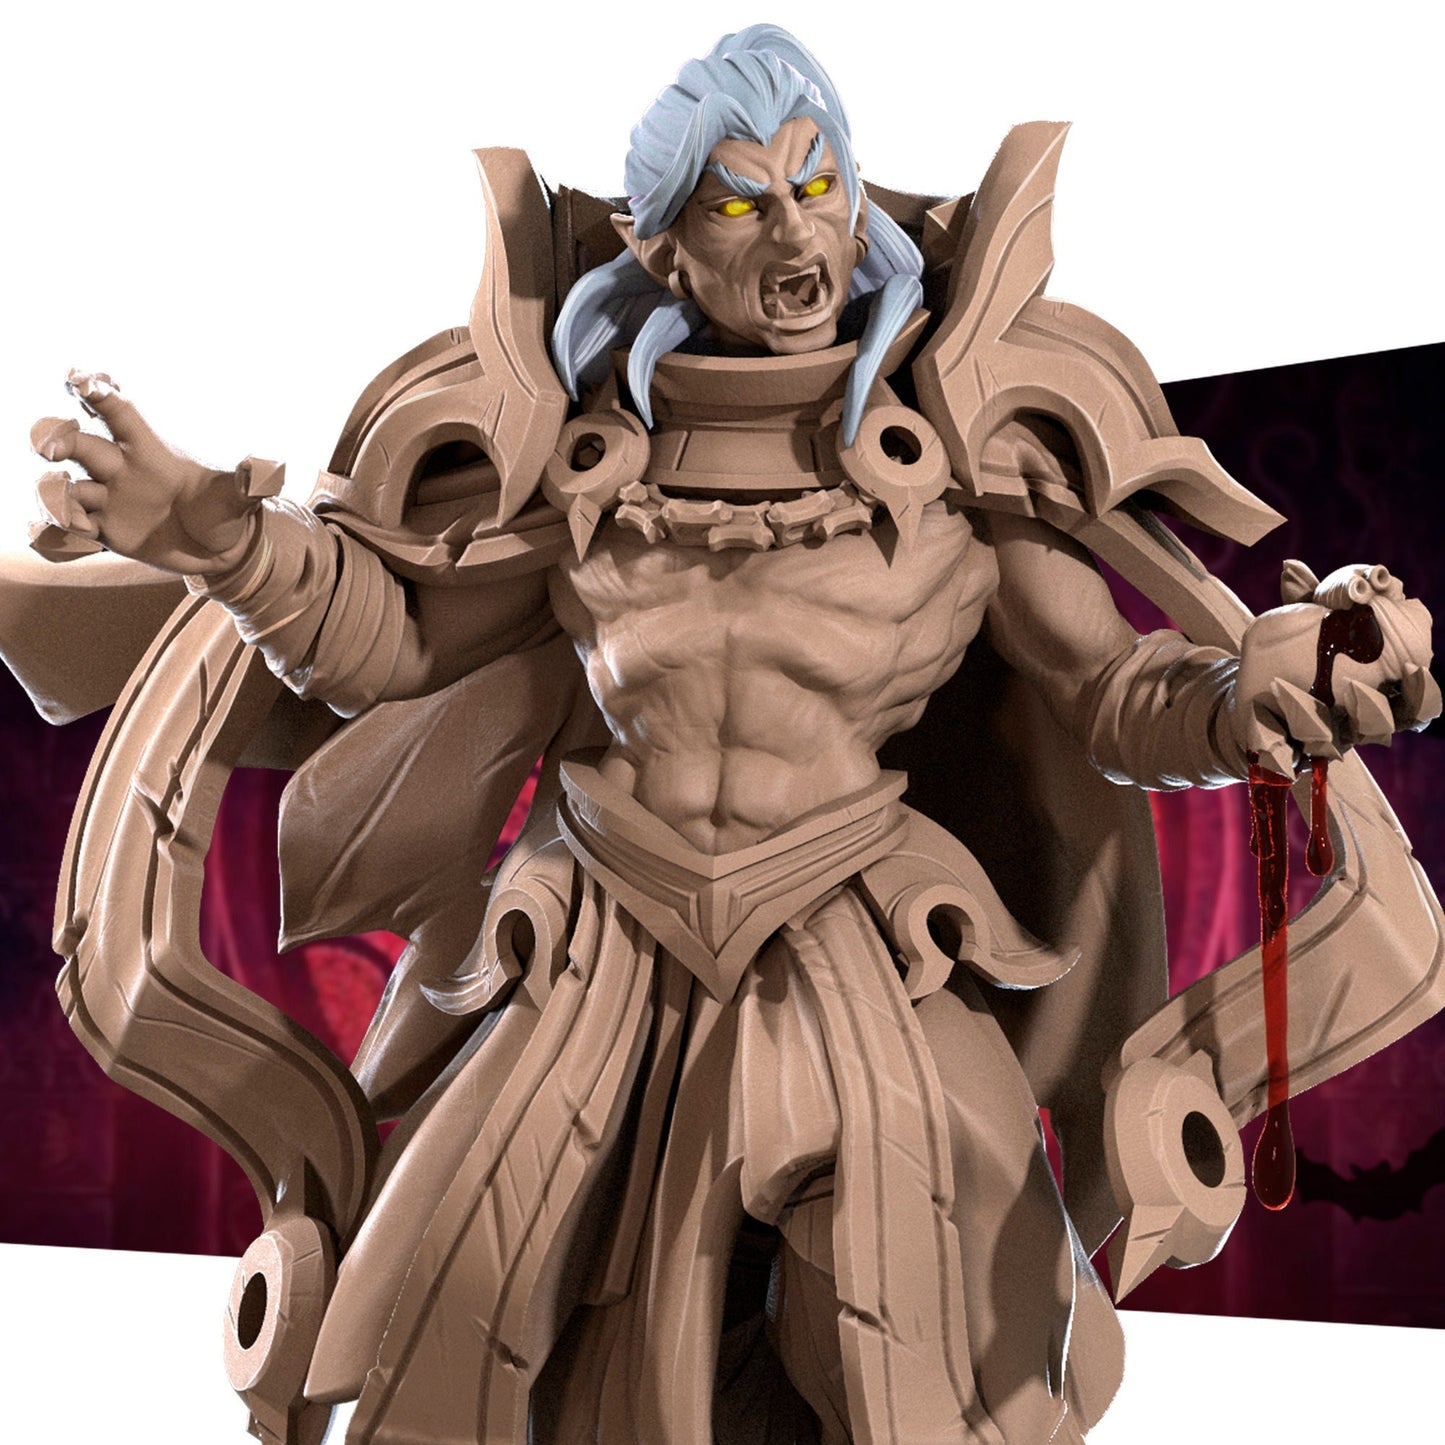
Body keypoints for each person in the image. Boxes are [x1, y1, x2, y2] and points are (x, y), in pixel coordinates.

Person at [16, 24, 1441, 1445]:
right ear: (661, 247)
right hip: (598, 942)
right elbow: (391, 644)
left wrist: (1258, 694)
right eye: (740, 202)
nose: (797, 234)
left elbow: (1115, 692)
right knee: (449, 1318)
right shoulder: (587, 470)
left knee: (926, 1334)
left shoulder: (951, 470)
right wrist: (221, 542)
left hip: (847, 936)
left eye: (818, 185)